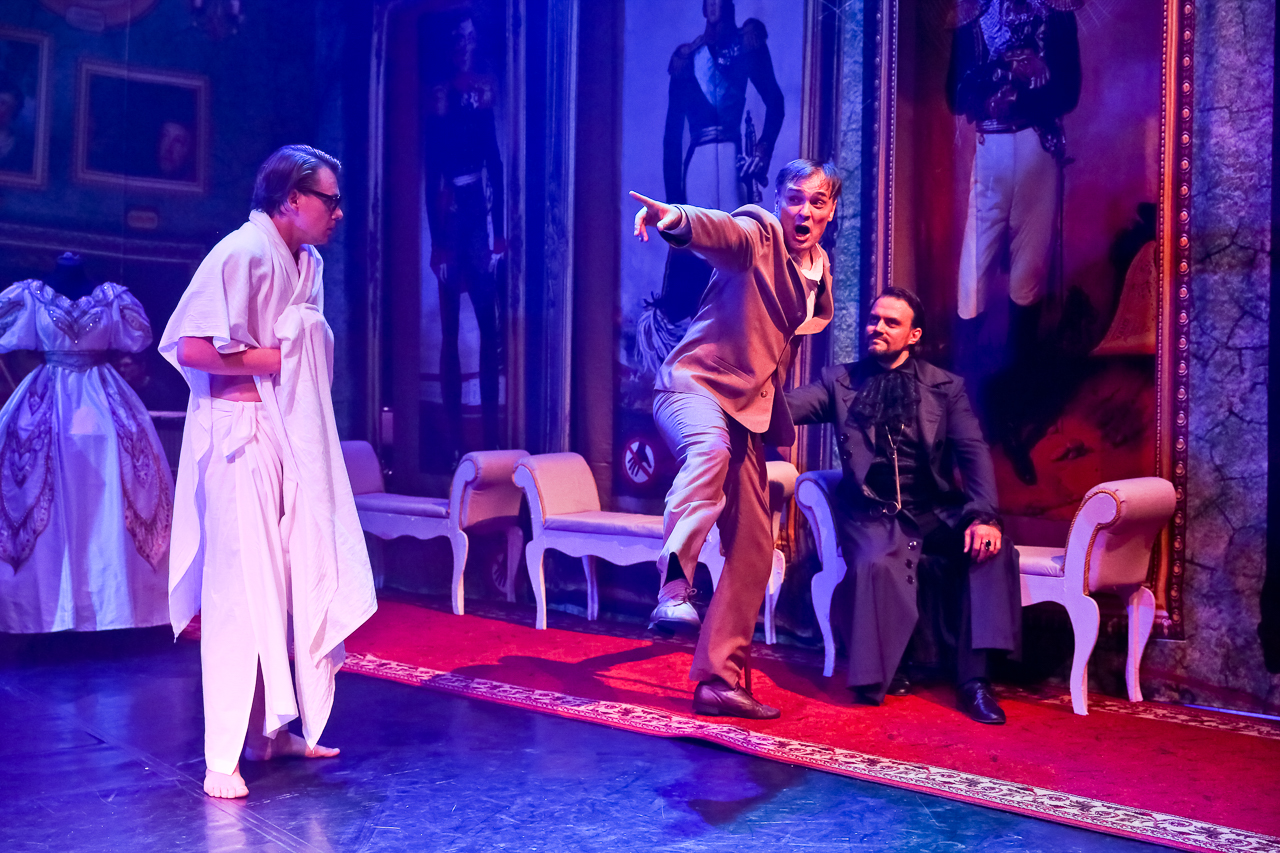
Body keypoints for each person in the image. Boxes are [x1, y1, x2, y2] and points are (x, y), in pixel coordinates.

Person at [160, 145, 377, 799]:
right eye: (329, 199)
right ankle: (220, 755)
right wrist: (274, 359)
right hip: (240, 442)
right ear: (290, 200)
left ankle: (270, 729)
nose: (338, 212)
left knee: (286, 587)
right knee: (239, 594)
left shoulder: (306, 264)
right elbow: (190, 345)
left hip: (289, 438)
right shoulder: (241, 252)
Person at [630, 158, 838, 720]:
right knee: (709, 451)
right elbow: (724, 231)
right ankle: (674, 590)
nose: (804, 211)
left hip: (744, 413)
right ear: (778, 202)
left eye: (817, 202)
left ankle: (719, 680)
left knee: (753, 546)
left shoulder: (819, 273)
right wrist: (677, 219)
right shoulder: (760, 236)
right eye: (794, 199)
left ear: (829, 212)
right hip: (691, 388)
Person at [785, 288, 1021, 724]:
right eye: (874, 319)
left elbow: (974, 453)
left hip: (933, 509)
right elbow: (785, 409)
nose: (877, 328)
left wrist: (984, 517)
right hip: (870, 513)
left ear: (914, 335)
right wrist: (746, 382)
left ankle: (974, 682)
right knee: (876, 562)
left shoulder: (945, 387)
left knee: (992, 549)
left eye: (891, 322)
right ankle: (884, 669)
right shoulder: (839, 381)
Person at [946, 0, 1082, 483]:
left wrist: (1034, 79)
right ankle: (969, 411)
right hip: (991, 150)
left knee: (1028, 278)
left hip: (1038, 151)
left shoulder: (1056, 16)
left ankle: (1014, 416)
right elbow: (954, 95)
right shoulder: (971, 19)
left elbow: (1069, 92)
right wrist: (999, 80)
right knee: (972, 283)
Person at [0, 253, 172, 633]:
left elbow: (139, 338)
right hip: (48, 399)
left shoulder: (111, 298)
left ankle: (109, 609)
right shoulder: (32, 295)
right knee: (36, 485)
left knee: (109, 492)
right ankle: (43, 610)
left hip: (102, 400)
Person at [637, 0, 785, 374]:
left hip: (734, 168)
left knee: (739, 265)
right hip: (697, 169)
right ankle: (688, 359)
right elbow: (672, 137)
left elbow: (775, 101)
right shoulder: (687, 59)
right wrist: (671, 204)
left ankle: (736, 356)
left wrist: (763, 150)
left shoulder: (748, 43)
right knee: (692, 259)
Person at [424, 14, 506, 453]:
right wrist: (438, 243)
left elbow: (495, 164)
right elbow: (432, 173)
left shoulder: (482, 92)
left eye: (470, 38)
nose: (464, 46)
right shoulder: (440, 97)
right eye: (458, 38)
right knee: (451, 333)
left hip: (477, 218)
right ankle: (456, 441)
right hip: (451, 219)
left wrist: (499, 235)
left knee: (490, 331)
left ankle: (491, 435)